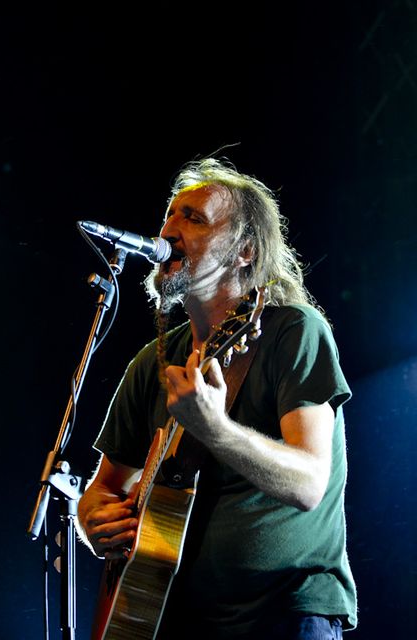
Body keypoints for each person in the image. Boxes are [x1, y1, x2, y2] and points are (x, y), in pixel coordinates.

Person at [76, 157, 357, 639]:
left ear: (245, 251)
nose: (169, 230)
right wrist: (93, 521)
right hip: (172, 617)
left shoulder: (293, 331)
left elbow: (309, 483)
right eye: (170, 213)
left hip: (282, 614)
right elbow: (104, 488)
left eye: (194, 218)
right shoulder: (152, 361)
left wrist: (216, 430)